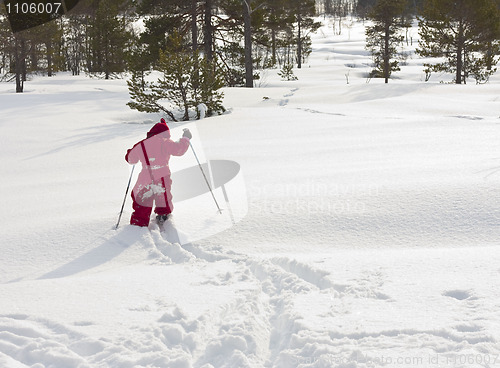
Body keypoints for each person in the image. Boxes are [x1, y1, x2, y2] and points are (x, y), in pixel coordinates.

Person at [125, 118, 192, 227]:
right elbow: (179, 150)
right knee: (164, 196)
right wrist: (186, 138)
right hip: (162, 175)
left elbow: (131, 160)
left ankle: (139, 222)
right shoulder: (165, 142)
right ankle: (163, 215)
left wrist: (130, 152)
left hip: (145, 175)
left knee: (142, 197)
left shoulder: (141, 144)